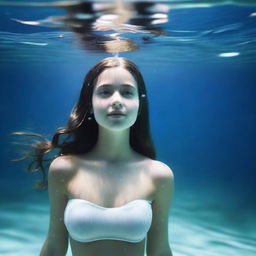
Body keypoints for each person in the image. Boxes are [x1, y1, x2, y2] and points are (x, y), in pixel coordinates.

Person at [12, 57, 174, 256]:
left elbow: (160, 252)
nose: (116, 100)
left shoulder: (159, 175)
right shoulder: (64, 169)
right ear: (90, 103)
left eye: (127, 92)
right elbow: (54, 247)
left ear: (139, 105)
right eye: (105, 92)